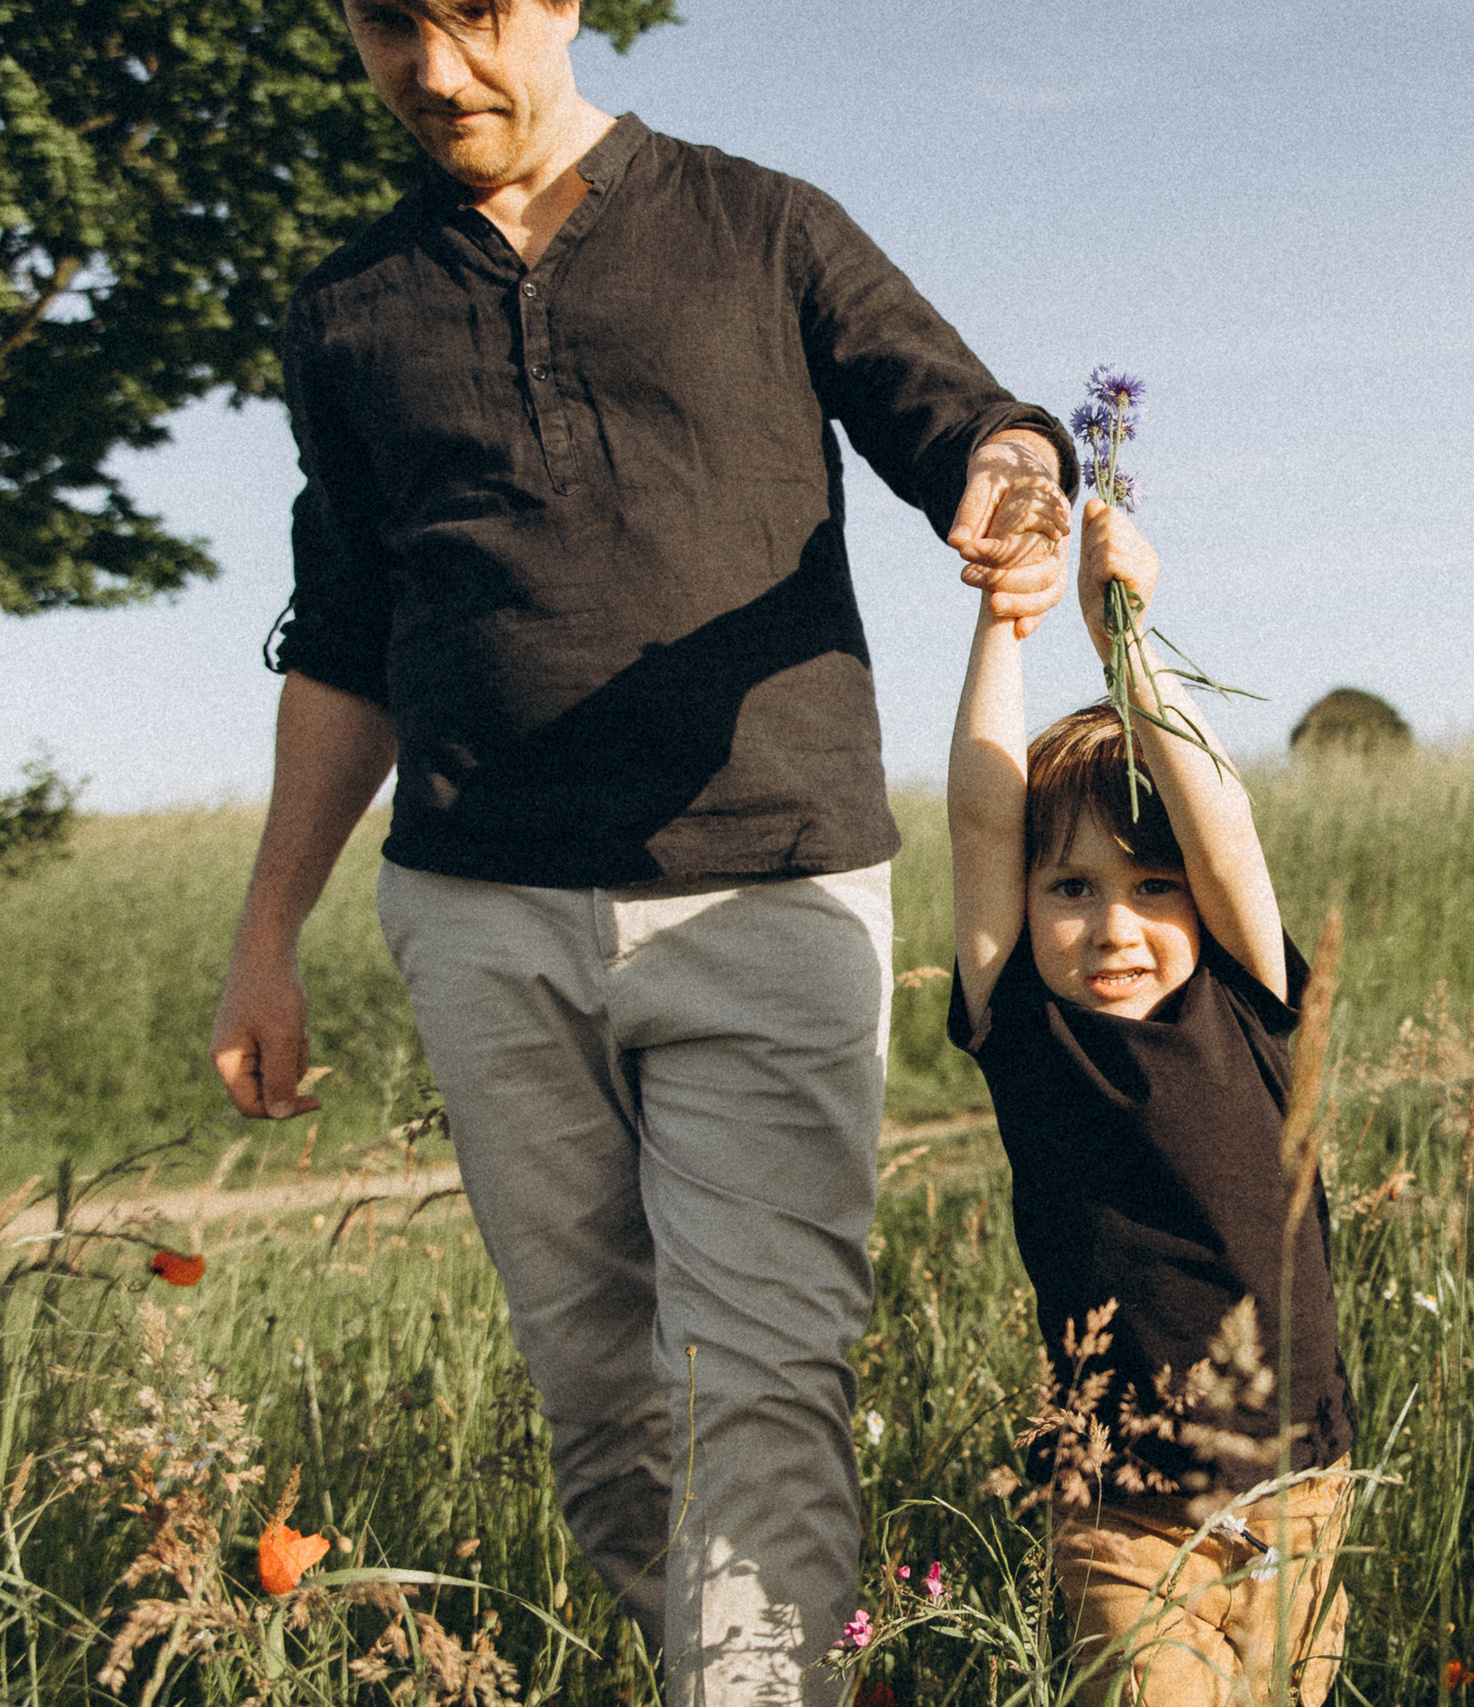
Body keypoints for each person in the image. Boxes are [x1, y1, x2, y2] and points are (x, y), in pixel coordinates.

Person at [204, 0, 1074, 1700]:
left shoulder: (763, 226)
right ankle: (805, 1674)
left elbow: (963, 414)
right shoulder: (347, 311)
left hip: (764, 891)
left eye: (471, 16)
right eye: (388, 24)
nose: (433, 72)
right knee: (604, 1410)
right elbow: (344, 637)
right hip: (476, 910)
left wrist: (1020, 476)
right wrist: (268, 935)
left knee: (758, 1384)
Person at [945, 498, 1357, 1705]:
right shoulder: (1027, 1028)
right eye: (1070, 886)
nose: (1112, 925)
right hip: (1126, 1522)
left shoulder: (1253, 1000)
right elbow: (980, 815)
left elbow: (1220, 820)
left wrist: (1124, 641)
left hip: (1302, 1498)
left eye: (1150, 885)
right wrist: (1002, 626)